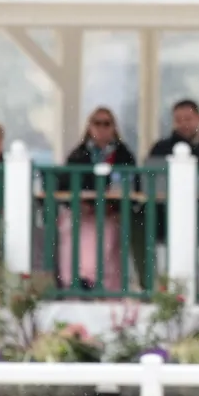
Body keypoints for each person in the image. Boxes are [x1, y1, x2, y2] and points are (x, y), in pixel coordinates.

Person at [59, 108, 137, 291]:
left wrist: (113, 204)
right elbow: (64, 185)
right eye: (97, 123)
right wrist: (82, 203)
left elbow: (133, 187)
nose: (102, 128)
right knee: (69, 232)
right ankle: (73, 282)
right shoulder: (77, 155)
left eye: (107, 123)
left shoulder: (123, 155)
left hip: (111, 213)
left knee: (107, 235)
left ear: (114, 128)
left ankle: (100, 285)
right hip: (82, 212)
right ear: (89, 127)